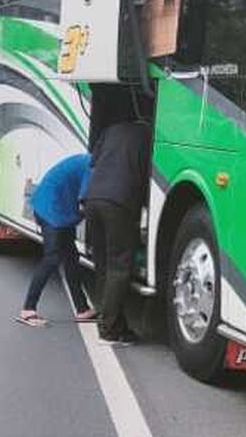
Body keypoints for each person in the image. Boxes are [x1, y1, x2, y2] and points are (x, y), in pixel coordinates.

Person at [85, 120, 151, 346]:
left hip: (92, 198)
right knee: (119, 267)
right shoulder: (150, 136)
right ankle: (109, 330)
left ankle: (114, 323)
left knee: (103, 265)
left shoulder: (111, 128)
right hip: (120, 203)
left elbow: (93, 162)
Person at [17, 153, 97, 327]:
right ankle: (28, 309)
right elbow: (85, 203)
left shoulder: (90, 160)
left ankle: (82, 309)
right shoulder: (93, 167)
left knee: (71, 258)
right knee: (52, 258)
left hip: (57, 207)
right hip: (51, 209)